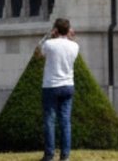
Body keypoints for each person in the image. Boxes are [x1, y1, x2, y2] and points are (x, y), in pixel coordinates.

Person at [36, 18, 79, 161]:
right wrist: (71, 37)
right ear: (68, 30)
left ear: (55, 29)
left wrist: (48, 35)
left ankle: (49, 155)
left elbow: (38, 53)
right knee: (65, 122)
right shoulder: (75, 46)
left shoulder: (49, 44)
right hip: (68, 86)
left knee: (50, 121)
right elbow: (70, 43)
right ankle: (65, 156)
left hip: (51, 86)